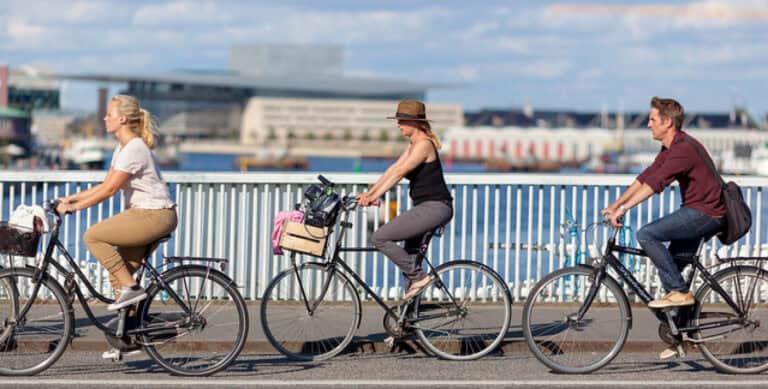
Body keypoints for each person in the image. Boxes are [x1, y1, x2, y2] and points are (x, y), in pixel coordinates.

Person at [603, 97, 725, 358]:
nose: (648, 124)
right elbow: (646, 177)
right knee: (671, 266)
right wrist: (615, 204)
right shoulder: (671, 147)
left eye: (652, 119)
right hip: (698, 211)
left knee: (647, 234)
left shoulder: (683, 149)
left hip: (705, 213)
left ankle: (681, 293)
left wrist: (624, 210)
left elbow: (653, 186)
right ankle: (680, 334)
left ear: (667, 122)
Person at [57, 94, 177, 312]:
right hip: (147, 214)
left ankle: (132, 288)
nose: (104, 118)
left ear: (122, 119)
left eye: (109, 114)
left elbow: (110, 190)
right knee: (118, 274)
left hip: (154, 214)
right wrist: (68, 199)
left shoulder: (134, 148)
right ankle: (129, 339)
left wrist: (73, 208)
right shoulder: (122, 148)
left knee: (92, 236)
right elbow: (105, 185)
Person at [357, 99, 453, 300]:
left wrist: (374, 195)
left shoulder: (424, 145)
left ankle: (420, 277)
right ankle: (406, 327)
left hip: (435, 207)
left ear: (415, 123)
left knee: (379, 238)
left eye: (402, 120)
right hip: (426, 207)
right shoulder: (414, 145)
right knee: (409, 258)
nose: (398, 124)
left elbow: (400, 172)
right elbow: (392, 169)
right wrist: (370, 193)